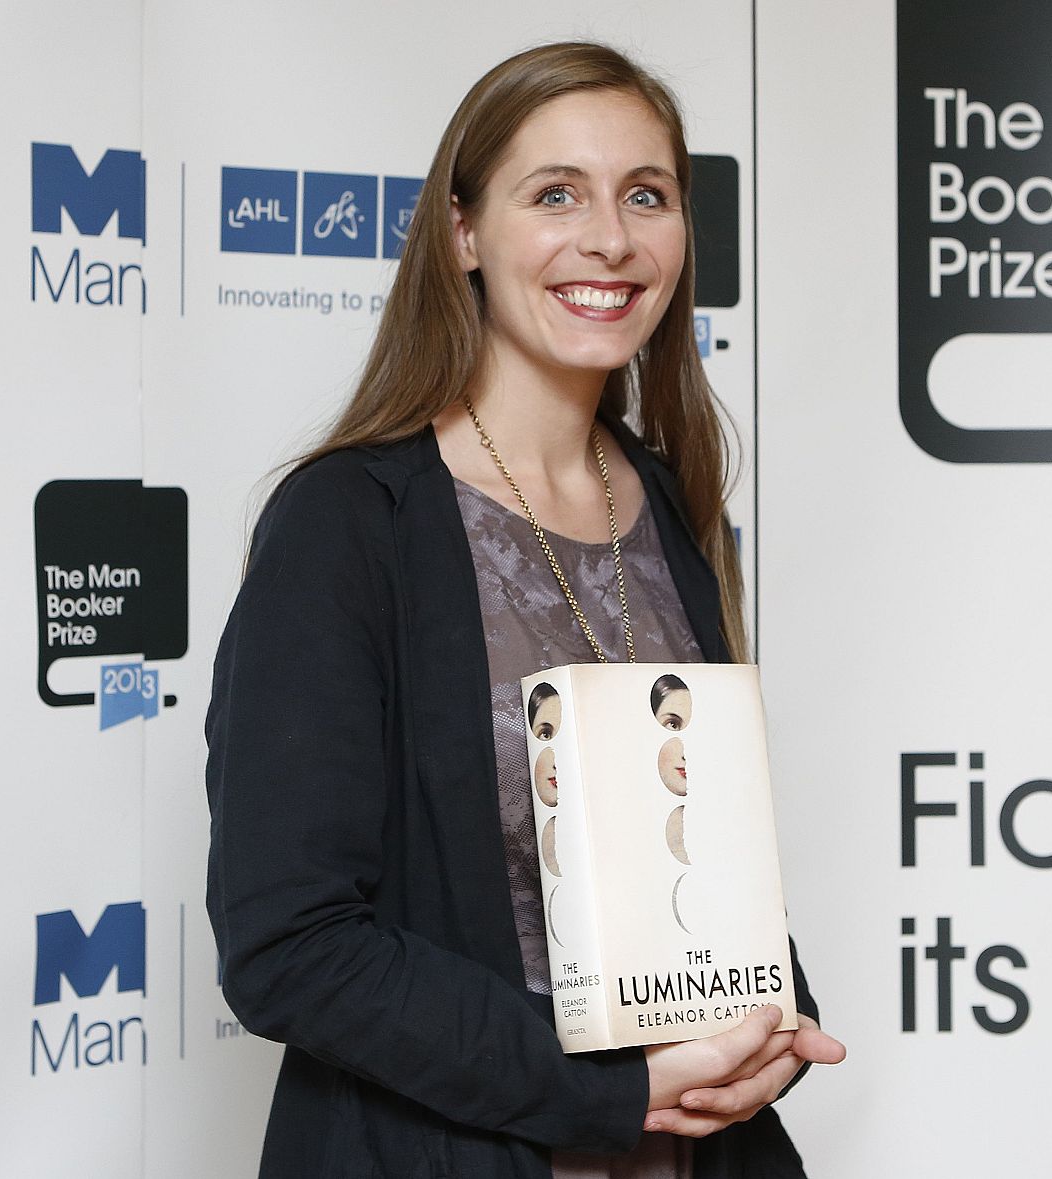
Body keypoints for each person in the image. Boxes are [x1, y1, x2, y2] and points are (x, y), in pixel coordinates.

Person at [204, 41, 843, 1179]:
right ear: (462, 233)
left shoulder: (661, 497)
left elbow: (685, 848)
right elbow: (289, 947)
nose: (609, 239)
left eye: (644, 195)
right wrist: (602, 1093)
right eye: (556, 195)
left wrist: (766, 1020)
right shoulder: (349, 524)